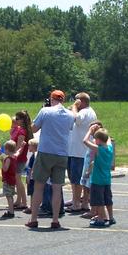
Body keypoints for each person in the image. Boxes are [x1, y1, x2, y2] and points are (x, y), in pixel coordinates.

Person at [26, 90, 75, 229]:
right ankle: (55, 219)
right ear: (63, 100)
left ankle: (34, 218)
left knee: (39, 187)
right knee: (57, 188)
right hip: (62, 153)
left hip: (46, 151)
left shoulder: (46, 111)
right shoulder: (70, 115)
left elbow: (34, 129)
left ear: (51, 99)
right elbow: (70, 128)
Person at [66, 93, 97, 213]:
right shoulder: (89, 112)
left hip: (78, 151)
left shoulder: (84, 112)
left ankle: (76, 203)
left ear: (81, 102)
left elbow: (77, 120)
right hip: (79, 150)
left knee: (76, 179)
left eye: (77, 101)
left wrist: (74, 107)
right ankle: (81, 201)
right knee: (81, 179)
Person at [83, 126, 114, 227]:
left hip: (97, 180)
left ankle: (101, 218)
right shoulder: (109, 148)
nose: (94, 140)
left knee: (99, 201)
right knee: (108, 199)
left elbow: (85, 141)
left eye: (95, 139)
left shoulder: (98, 149)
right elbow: (108, 139)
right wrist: (103, 130)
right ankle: (111, 217)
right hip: (107, 179)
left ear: (99, 140)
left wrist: (90, 130)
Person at [11, 111, 33, 210]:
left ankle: (24, 202)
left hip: (19, 158)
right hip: (19, 157)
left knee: (18, 179)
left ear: (22, 120)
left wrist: (12, 156)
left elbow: (19, 146)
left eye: (17, 119)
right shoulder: (21, 130)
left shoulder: (22, 132)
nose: (15, 121)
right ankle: (18, 200)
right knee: (17, 180)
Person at [0, 140, 26, 219]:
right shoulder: (14, 156)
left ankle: (11, 211)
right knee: (10, 194)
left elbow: (5, 169)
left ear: (7, 149)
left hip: (7, 179)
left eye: (5, 149)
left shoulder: (8, 159)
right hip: (12, 178)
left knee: (9, 196)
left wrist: (2, 162)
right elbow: (19, 152)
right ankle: (11, 210)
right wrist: (22, 146)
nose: (4, 150)